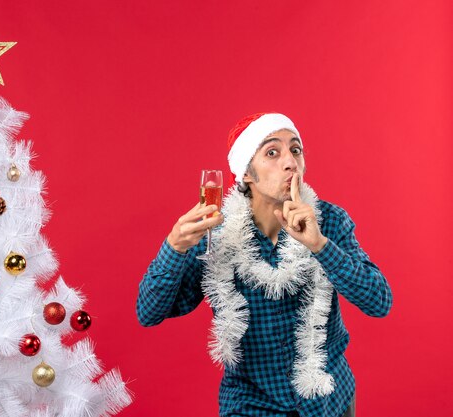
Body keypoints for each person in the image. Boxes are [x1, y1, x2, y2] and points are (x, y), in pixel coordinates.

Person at [136, 113, 392, 417]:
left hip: (328, 402)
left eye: (295, 150)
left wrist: (319, 245)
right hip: (252, 406)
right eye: (273, 152)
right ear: (246, 173)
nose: (290, 162)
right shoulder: (215, 233)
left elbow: (380, 302)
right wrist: (174, 249)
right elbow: (148, 314)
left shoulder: (329, 221)